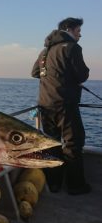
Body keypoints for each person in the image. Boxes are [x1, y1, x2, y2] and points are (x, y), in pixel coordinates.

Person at [31, 17, 90, 195]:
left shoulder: (45, 51)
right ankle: (75, 186)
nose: (80, 35)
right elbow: (82, 75)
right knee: (73, 143)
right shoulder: (72, 48)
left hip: (46, 105)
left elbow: (35, 73)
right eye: (78, 31)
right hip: (65, 105)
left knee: (52, 144)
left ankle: (54, 184)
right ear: (69, 29)